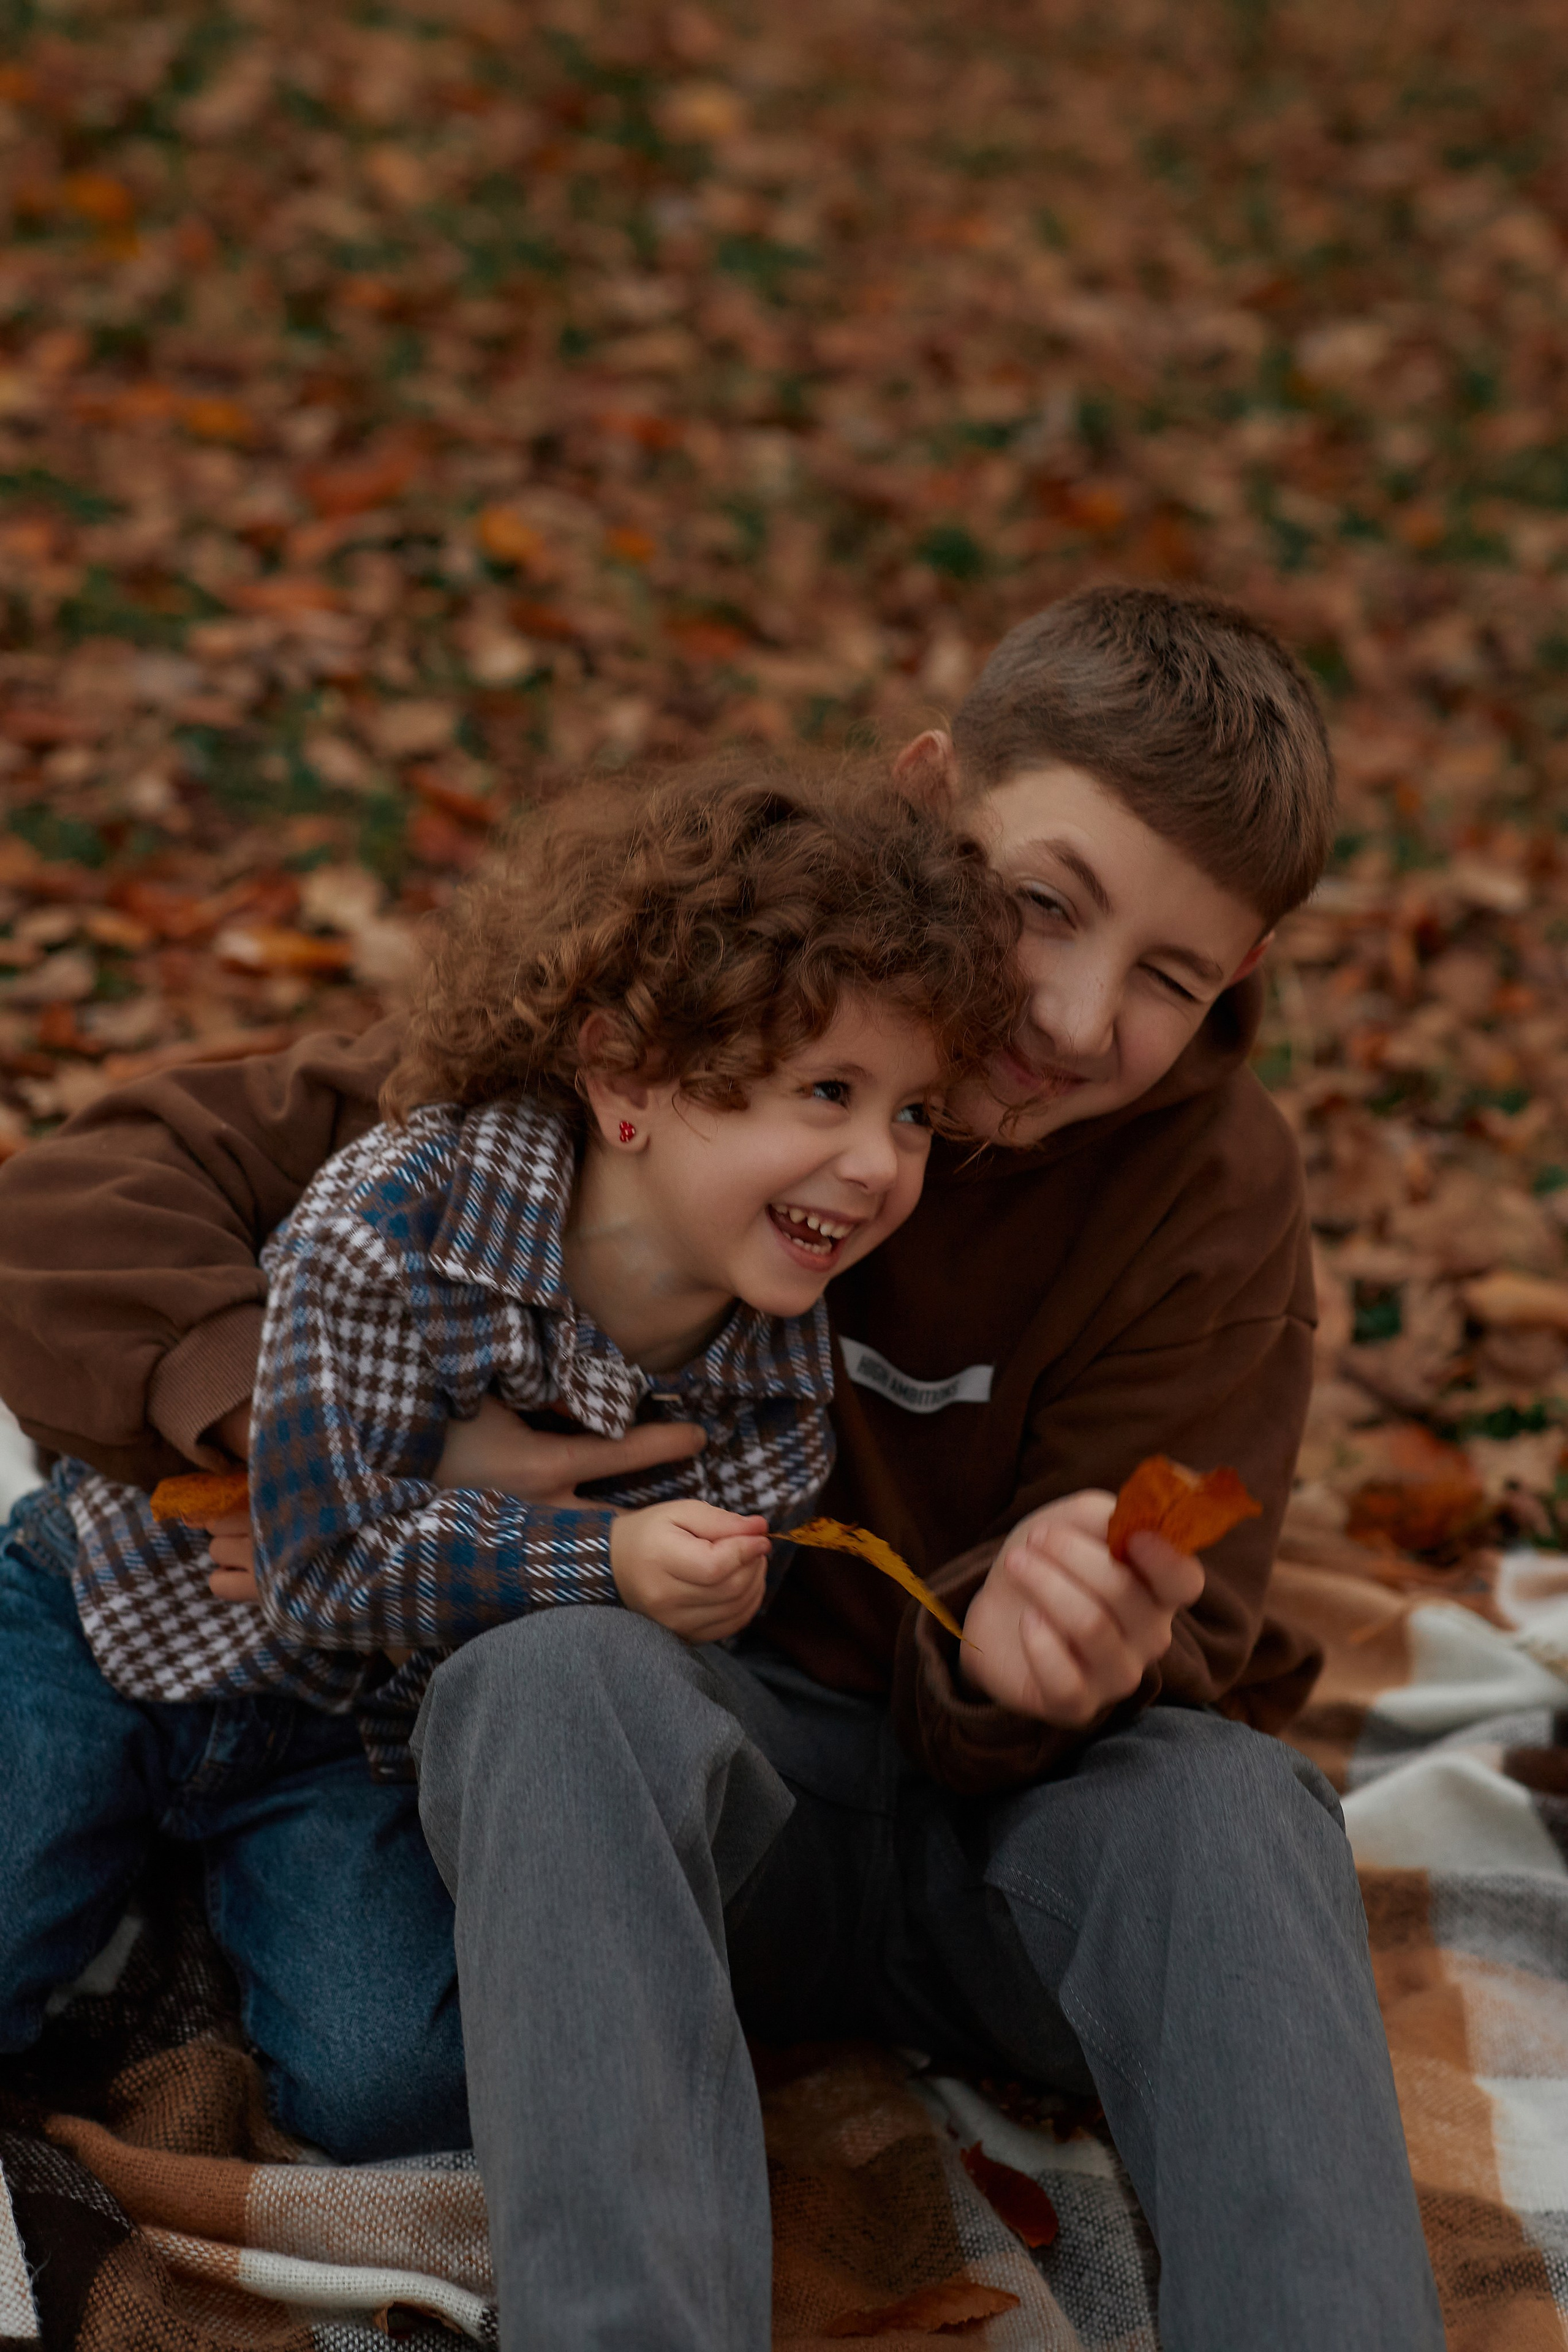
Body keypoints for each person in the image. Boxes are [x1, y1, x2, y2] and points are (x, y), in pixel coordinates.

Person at [0, 585, 1444, 2347]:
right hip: (677, 1820)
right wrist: (339, 1438)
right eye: (1044, 903)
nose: (1073, 1017)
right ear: (932, 794)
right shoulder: (720, 1016)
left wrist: (1044, 1656)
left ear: (1244, 974)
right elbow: (91, 1201)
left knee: (1229, 1802)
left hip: (1014, 1861)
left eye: (1168, 976)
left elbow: (1187, 1630)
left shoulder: (1214, 1197)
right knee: (550, 1680)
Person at [0, 757, 1022, 2161]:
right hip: (119, 1625)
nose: (875, 1163)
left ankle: (181, 1905)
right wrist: (606, 1557)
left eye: (911, 1113)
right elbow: (324, 1564)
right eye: (826, 1090)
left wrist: (699, 1601)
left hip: (352, 1746)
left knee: (404, 2091)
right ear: (627, 1077)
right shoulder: (400, 1219)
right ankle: (102, 1864)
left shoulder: (779, 1383)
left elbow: (621, 1674)